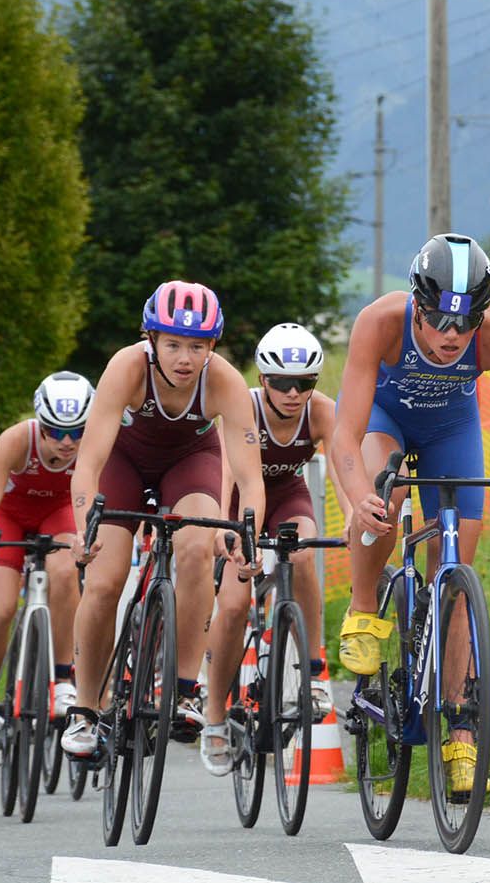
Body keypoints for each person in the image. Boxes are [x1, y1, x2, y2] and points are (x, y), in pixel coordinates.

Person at [330, 233, 490, 798]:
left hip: (451, 430)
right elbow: (344, 436)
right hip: (386, 421)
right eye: (439, 321)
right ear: (417, 306)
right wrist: (358, 496)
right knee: (385, 500)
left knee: (454, 577)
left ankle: (459, 724)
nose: (453, 335)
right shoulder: (380, 323)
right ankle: (364, 609)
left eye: (466, 322)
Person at [60, 281, 264, 758]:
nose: (185, 359)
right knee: (104, 581)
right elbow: (88, 463)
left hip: (190, 461)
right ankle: (85, 709)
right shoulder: (127, 367)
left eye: (197, 346)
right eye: (172, 344)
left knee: (197, 548)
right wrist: (84, 525)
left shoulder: (225, 382)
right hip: (123, 463)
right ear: (150, 339)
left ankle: (185, 688)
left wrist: (246, 536)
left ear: (212, 345)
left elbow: (250, 478)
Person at [199, 323, 336, 776]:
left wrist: (358, 514)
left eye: (304, 382)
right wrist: (224, 527)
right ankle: (215, 715)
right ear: (263, 380)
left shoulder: (322, 411)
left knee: (303, 555)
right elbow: (224, 475)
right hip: (238, 500)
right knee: (234, 605)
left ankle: (312, 673)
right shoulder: (244, 408)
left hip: (287, 495)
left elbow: (343, 467)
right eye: (281, 382)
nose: (293, 393)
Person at [0, 372, 92, 763]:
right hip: (9, 516)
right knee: (0, 610)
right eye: (56, 431)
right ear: (40, 423)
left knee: (65, 573)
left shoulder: (94, 444)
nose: (67, 442)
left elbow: (94, 501)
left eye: (77, 431)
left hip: (59, 513)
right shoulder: (17, 440)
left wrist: (86, 539)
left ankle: (63, 675)